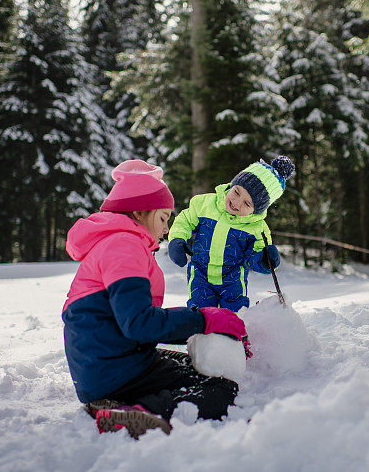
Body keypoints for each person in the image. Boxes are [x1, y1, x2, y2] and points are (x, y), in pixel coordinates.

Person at [62, 159, 248, 439]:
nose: (165, 230)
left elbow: (132, 324)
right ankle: (138, 412)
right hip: (113, 370)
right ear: (138, 211)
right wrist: (204, 319)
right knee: (220, 388)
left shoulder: (117, 242)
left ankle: (112, 402)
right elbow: (139, 323)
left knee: (190, 364)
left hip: (105, 365)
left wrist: (200, 324)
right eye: (163, 218)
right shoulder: (123, 245)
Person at [167, 156, 295, 311]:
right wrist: (177, 239)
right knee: (202, 314)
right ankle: (201, 333)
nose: (237, 202)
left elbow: (256, 255)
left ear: (257, 210)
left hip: (233, 280)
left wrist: (265, 260)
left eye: (247, 203)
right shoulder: (205, 204)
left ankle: (233, 335)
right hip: (200, 274)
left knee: (234, 315)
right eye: (236, 192)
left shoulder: (257, 228)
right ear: (232, 184)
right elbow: (185, 220)